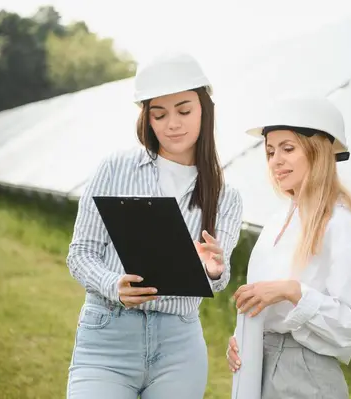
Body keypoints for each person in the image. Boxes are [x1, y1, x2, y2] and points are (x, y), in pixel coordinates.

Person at [65, 51, 243, 399]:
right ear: (147, 118)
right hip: (107, 339)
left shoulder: (226, 197)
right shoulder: (114, 168)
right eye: (159, 114)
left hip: (179, 348)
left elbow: (216, 281)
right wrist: (113, 285)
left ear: (205, 109)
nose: (172, 123)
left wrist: (214, 269)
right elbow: (80, 254)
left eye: (184, 110)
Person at [227, 96, 351, 398]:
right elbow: (262, 302)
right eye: (270, 151)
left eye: (287, 148)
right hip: (259, 365)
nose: (275, 161)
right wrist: (242, 336)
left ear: (318, 152)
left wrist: (293, 291)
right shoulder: (277, 221)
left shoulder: (345, 228)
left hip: (305, 374)